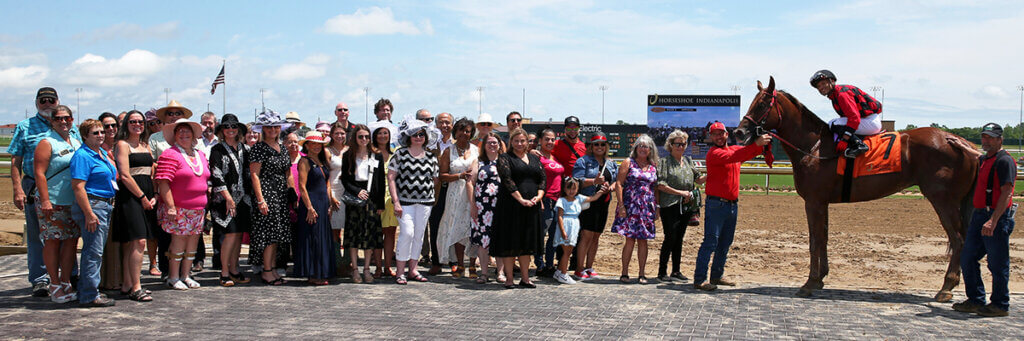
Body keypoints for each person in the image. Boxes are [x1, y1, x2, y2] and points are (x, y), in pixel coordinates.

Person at [693, 122, 771, 291]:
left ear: (727, 134)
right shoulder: (714, 153)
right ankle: (700, 279)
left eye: (721, 133)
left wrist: (760, 142)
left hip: (730, 205)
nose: (719, 137)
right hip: (716, 205)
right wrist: (756, 145)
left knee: (725, 243)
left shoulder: (734, 150)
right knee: (711, 242)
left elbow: (749, 152)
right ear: (711, 137)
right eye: (715, 134)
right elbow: (737, 156)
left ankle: (716, 275)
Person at [951, 123, 1017, 317]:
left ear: (1000, 139)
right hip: (979, 216)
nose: (986, 140)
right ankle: (975, 299)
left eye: (990, 137)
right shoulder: (986, 159)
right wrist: (961, 146)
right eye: (984, 137)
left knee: (997, 263)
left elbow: (1007, 193)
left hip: (995, 217)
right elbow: (976, 155)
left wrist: (993, 220)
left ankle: (999, 304)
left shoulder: (1004, 161)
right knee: (967, 257)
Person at [32, 105, 81, 303]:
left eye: (67, 118)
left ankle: (65, 280)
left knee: (70, 242)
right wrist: (45, 200)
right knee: (52, 241)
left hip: (73, 201)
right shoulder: (47, 142)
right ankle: (53, 283)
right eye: (58, 118)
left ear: (72, 119)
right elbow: (39, 173)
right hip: (52, 201)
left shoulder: (76, 141)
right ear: (52, 121)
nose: (63, 122)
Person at [154, 118, 209, 291]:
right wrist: (170, 206)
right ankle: (173, 276)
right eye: (180, 131)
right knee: (178, 242)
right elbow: (163, 182)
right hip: (178, 208)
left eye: (187, 131)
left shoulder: (199, 154)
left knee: (192, 242)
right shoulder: (170, 154)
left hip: (198, 209)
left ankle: (186, 274)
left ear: (193, 135)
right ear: (175, 136)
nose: (184, 134)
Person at [70, 119, 117, 307]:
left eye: (101, 132)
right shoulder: (83, 156)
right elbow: (78, 187)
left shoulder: (101, 154)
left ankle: (90, 290)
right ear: (84, 136)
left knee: (96, 250)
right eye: (95, 133)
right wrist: (89, 214)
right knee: (93, 251)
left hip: (104, 204)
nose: (100, 135)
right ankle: (89, 294)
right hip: (94, 205)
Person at [110, 110, 156, 301]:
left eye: (140, 122)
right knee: (138, 241)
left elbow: (152, 171)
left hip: (147, 196)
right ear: (126, 124)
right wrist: (142, 196)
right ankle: (137, 287)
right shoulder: (122, 145)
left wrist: (154, 195)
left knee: (133, 243)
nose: (137, 125)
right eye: (132, 121)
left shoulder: (145, 146)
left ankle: (128, 284)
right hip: (130, 197)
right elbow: (125, 175)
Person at [388, 118, 440, 285]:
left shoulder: (432, 157)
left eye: (421, 134)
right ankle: (400, 271)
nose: (418, 137)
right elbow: (391, 178)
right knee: (407, 233)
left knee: (418, 236)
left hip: (425, 202)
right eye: (414, 134)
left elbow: (435, 180)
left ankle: (413, 270)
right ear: (408, 136)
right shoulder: (400, 154)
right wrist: (395, 201)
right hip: (404, 202)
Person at [491, 128, 545, 289]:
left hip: (531, 207)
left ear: (528, 142)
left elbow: (542, 179)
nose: (520, 144)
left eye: (523, 141)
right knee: (510, 243)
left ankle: (525, 278)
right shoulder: (504, 158)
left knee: (526, 244)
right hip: (510, 206)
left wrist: (540, 196)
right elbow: (507, 180)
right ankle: (509, 278)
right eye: (516, 141)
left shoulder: (534, 159)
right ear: (511, 142)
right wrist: (521, 199)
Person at [248, 110, 296, 286]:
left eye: (275, 126)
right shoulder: (258, 149)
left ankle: (273, 267)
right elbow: (254, 175)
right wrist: (260, 199)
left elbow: (288, 172)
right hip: (267, 193)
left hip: (281, 195)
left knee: (278, 234)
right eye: (268, 127)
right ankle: (267, 270)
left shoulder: (283, 148)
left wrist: (292, 191)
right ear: (263, 129)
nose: (272, 130)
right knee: (268, 235)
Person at [208, 114, 253, 287]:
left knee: (239, 235)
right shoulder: (217, 150)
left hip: (244, 200)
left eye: (233, 126)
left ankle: (234, 269)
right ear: (221, 130)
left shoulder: (245, 149)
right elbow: (217, 174)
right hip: (224, 199)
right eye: (226, 127)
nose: (230, 129)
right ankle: (224, 272)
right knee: (229, 234)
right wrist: (227, 197)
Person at [655, 130, 705, 283]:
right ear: (671, 145)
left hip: (686, 205)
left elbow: (699, 180)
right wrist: (681, 193)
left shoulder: (689, 161)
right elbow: (661, 184)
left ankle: (676, 271)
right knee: (670, 237)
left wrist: (716, 170)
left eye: (684, 144)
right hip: (669, 205)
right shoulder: (664, 162)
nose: (681, 147)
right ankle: (662, 272)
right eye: (678, 144)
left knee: (679, 238)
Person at [611, 134, 659, 284]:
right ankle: (624, 272)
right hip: (630, 206)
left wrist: (657, 208)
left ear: (650, 150)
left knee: (643, 241)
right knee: (630, 240)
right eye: (641, 146)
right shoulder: (628, 162)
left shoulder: (653, 166)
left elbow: (655, 188)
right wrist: (621, 206)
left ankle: (642, 273)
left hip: (647, 208)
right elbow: (619, 184)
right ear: (636, 148)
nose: (643, 149)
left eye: (646, 146)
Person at [342, 124, 386, 283]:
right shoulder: (348, 155)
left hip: (371, 201)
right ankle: (355, 270)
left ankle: (367, 269)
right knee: (353, 237)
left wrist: (380, 204)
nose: (364, 140)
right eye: (361, 137)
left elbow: (381, 181)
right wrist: (356, 191)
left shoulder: (376, 155)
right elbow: (345, 180)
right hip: (354, 201)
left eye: (367, 137)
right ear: (355, 138)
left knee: (369, 238)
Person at [293, 131, 337, 285]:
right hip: (311, 204)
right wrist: (310, 208)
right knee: (313, 238)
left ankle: (322, 271)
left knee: (322, 238)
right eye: (313, 143)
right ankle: (312, 273)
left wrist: (330, 202)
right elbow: (302, 187)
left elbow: (327, 183)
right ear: (307, 145)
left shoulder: (322, 162)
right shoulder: (304, 162)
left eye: (319, 144)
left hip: (323, 203)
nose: (316, 146)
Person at [572, 132, 618, 280]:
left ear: (606, 146)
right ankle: (579, 269)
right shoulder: (583, 161)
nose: (599, 147)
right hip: (589, 201)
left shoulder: (611, 163)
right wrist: (594, 182)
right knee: (586, 235)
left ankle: (589, 266)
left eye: (602, 144)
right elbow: (576, 181)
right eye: (596, 144)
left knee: (596, 236)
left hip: (603, 204)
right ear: (591, 146)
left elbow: (617, 181)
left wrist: (611, 187)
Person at [437, 118, 478, 278]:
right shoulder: (449, 151)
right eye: (461, 130)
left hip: (473, 194)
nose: (464, 134)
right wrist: (459, 175)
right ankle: (460, 264)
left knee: (473, 228)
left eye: (467, 131)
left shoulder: (476, 150)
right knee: (457, 228)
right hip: (455, 194)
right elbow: (442, 176)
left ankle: (473, 265)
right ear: (456, 132)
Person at [809, 69, 883, 158]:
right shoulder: (835, 96)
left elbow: (854, 118)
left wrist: (845, 139)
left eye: (823, 83)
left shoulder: (841, 94)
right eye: (819, 86)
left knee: (833, 123)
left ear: (832, 81)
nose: (821, 88)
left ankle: (859, 145)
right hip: (867, 120)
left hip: (869, 122)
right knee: (835, 122)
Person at [553, 177, 607, 284]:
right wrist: (563, 231)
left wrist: (601, 191)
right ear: (564, 189)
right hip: (566, 225)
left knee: (569, 250)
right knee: (567, 251)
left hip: (574, 225)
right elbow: (559, 216)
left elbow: (593, 198)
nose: (571, 191)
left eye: (574, 189)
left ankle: (559, 271)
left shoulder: (579, 198)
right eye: (569, 188)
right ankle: (563, 273)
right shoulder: (562, 200)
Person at [469, 132, 505, 283]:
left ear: (499, 145)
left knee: (501, 240)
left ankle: (501, 272)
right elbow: (470, 183)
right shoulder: (478, 162)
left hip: (501, 206)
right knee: (483, 241)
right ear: (484, 145)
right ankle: (484, 273)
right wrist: (473, 206)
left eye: (495, 142)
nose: (492, 145)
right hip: (482, 207)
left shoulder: (504, 162)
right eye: (489, 142)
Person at [96, 112, 123, 291]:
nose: (111, 129)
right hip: (104, 201)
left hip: (123, 200)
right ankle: (106, 280)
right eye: (106, 126)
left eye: (114, 125)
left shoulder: (120, 147)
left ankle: (119, 278)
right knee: (104, 245)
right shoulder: (97, 150)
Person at [426, 112, 454, 275]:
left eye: (447, 123)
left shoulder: (459, 144)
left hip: (454, 189)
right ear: (436, 125)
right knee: (435, 226)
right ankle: (436, 261)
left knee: (452, 224)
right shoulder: (429, 145)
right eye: (441, 123)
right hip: (434, 192)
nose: (444, 126)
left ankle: (453, 260)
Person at [535, 128, 565, 277]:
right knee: (541, 234)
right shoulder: (536, 157)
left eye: (552, 139)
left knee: (554, 236)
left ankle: (549, 264)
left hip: (557, 201)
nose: (550, 142)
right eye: (547, 139)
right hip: (544, 200)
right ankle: (539, 264)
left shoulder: (555, 158)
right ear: (540, 140)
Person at [369, 124, 397, 278]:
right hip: (377, 198)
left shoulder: (395, 155)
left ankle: (388, 267)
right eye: (379, 133)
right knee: (377, 234)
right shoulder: (371, 155)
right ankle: (378, 268)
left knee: (390, 233)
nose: (382, 136)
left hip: (392, 198)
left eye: (385, 133)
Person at [326, 122, 349, 273]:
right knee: (335, 229)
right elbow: (325, 175)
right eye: (337, 133)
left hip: (348, 192)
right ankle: (336, 262)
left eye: (342, 133)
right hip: (333, 191)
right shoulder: (327, 151)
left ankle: (347, 263)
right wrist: (330, 197)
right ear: (331, 135)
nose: (340, 136)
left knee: (348, 229)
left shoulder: (350, 150)